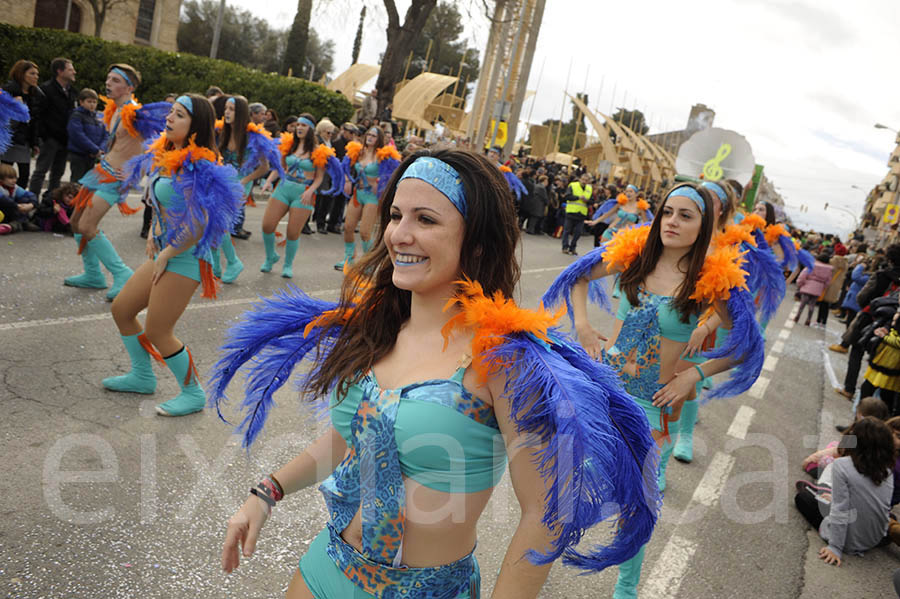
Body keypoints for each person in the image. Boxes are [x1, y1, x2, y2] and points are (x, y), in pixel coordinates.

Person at [209, 149, 662, 597]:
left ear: (477, 242)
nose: (399, 235)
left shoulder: (501, 360)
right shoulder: (375, 327)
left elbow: (546, 512)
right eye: (395, 215)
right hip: (326, 569)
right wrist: (267, 492)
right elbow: (351, 437)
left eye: (425, 220)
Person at [543, 182, 765, 598]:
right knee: (566, 479)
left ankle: (626, 589)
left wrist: (693, 376)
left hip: (649, 405)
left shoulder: (710, 280)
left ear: (704, 226)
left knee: (636, 505)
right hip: (603, 391)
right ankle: (540, 560)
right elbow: (576, 276)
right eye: (667, 212)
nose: (673, 222)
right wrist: (585, 326)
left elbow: (746, 346)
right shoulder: (634, 257)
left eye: (686, 216)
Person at [109, 94, 243, 416]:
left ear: (195, 124)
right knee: (122, 309)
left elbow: (198, 223)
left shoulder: (200, 164)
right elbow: (159, 199)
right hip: (166, 251)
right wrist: (156, 233)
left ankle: (193, 393)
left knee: (158, 330)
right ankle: (142, 376)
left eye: (179, 115)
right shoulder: (167, 153)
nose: (169, 118)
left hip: (186, 256)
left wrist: (168, 250)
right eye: (170, 111)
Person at [65, 64, 168, 301]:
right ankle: (93, 275)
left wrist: (135, 174)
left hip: (113, 179)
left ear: (129, 87)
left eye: (114, 80)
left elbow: (155, 146)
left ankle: (122, 274)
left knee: (88, 226)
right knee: (75, 221)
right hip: (100, 171)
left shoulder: (137, 114)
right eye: (108, 78)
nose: (108, 83)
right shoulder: (114, 109)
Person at [794, 417, 895, 566]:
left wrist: (835, 547)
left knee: (803, 498)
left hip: (848, 539)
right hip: (874, 538)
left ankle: (818, 493)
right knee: (888, 515)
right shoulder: (888, 471)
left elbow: (840, 509)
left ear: (855, 440)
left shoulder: (842, 465)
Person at [261, 114, 340, 278]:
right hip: (283, 187)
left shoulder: (318, 151)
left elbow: (319, 177)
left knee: (292, 232)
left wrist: (311, 191)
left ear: (310, 129)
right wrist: (269, 181)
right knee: (267, 226)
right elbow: (279, 168)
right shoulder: (288, 145)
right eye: (297, 125)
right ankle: (271, 257)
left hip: (303, 192)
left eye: (303, 125)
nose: (299, 128)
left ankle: (287, 265)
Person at [215, 95, 283, 283]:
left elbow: (264, 167)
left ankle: (233, 261)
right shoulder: (221, 131)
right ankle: (214, 265)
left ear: (242, 113)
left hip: (239, 184)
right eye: (226, 109)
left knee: (220, 224)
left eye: (231, 109)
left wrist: (244, 181)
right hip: (221, 180)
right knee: (211, 222)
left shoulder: (253, 136)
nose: (227, 113)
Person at [335, 126, 401, 271]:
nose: (370, 137)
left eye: (374, 136)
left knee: (365, 232)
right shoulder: (358, 151)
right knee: (348, 227)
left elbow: (393, 174)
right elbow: (344, 166)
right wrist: (346, 180)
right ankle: (349, 258)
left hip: (372, 197)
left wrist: (382, 184)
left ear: (379, 139)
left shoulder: (383, 155)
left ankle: (369, 262)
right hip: (358, 194)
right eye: (369, 134)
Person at [29, 57, 77, 198]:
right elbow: (38, 115)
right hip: (50, 138)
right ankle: (32, 201)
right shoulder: (46, 89)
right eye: (70, 69)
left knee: (57, 174)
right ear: (59, 71)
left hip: (65, 140)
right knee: (40, 171)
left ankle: (51, 203)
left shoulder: (72, 92)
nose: (74, 71)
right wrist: (42, 136)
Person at [1, 60, 42, 189]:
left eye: (37, 74)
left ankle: (17, 203)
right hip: (9, 140)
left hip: (24, 141)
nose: (36, 77)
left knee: (24, 176)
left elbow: (34, 120)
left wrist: (34, 142)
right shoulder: (8, 92)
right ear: (22, 74)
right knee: (5, 175)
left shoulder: (34, 94)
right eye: (32, 73)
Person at [66, 88, 106, 183]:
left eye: (94, 102)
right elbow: (77, 135)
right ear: (81, 102)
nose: (92, 104)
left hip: (92, 156)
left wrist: (101, 149)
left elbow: (105, 134)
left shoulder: (98, 117)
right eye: (89, 101)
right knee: (77, 181)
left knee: (88, 183)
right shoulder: (77, 115)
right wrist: (94, 149)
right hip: (79, 154)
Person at [795, 253, 834, 326]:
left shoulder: (812, 265)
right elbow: (828, 281)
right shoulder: (829, 270)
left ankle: (797, 316)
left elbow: (803, 275)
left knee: (802, 304)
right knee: (812, 305)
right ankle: (808, 319)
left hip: (808, 286)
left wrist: (800, 284)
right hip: (818, 288)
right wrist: (823, 288)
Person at [0, 162, 40, 233]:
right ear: (1, 179)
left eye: (15, 178)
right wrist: (17, 206)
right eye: (10, 178)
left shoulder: (15, 188)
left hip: (11, 212)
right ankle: (15, 224)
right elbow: (4, 200)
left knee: (25, 199)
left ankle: (21, 222)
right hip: (3, 212)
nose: (14, 180)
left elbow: (30, 195)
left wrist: (31, 205)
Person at [560, 173, 592, 255]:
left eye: (586, 180)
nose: (584, 181)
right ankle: (565, 247)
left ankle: (572, 248)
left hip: (581, 213)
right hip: (571, 211)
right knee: (567, 231)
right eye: (583, 179)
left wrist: (587, 201)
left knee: (578, 232)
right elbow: (567, 196)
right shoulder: (573, 185)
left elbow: (592, 201)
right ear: (580, 179)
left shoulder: (589, 188)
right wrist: (578, 198)